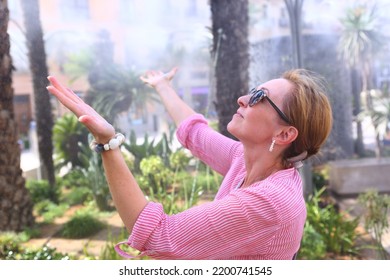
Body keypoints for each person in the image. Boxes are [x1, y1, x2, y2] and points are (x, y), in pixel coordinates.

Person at [46, 67, 332, 260]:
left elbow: (159, 236)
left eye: (259, 97)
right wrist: (162, 86)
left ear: (284, 134)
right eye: (252, 91)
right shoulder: (246, 163)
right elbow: (195, 132)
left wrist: (108, 144)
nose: (243, 99)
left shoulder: (270, 202)